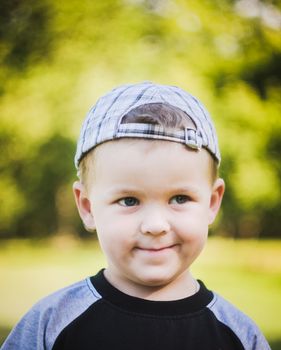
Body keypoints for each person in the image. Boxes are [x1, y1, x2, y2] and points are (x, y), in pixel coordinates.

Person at [1, 81, 270, 350]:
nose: (155, 225)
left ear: (212, 202)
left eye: (180, 198)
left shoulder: (240, 337)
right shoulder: (51, 325)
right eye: (129, 200)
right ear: (87, 207)